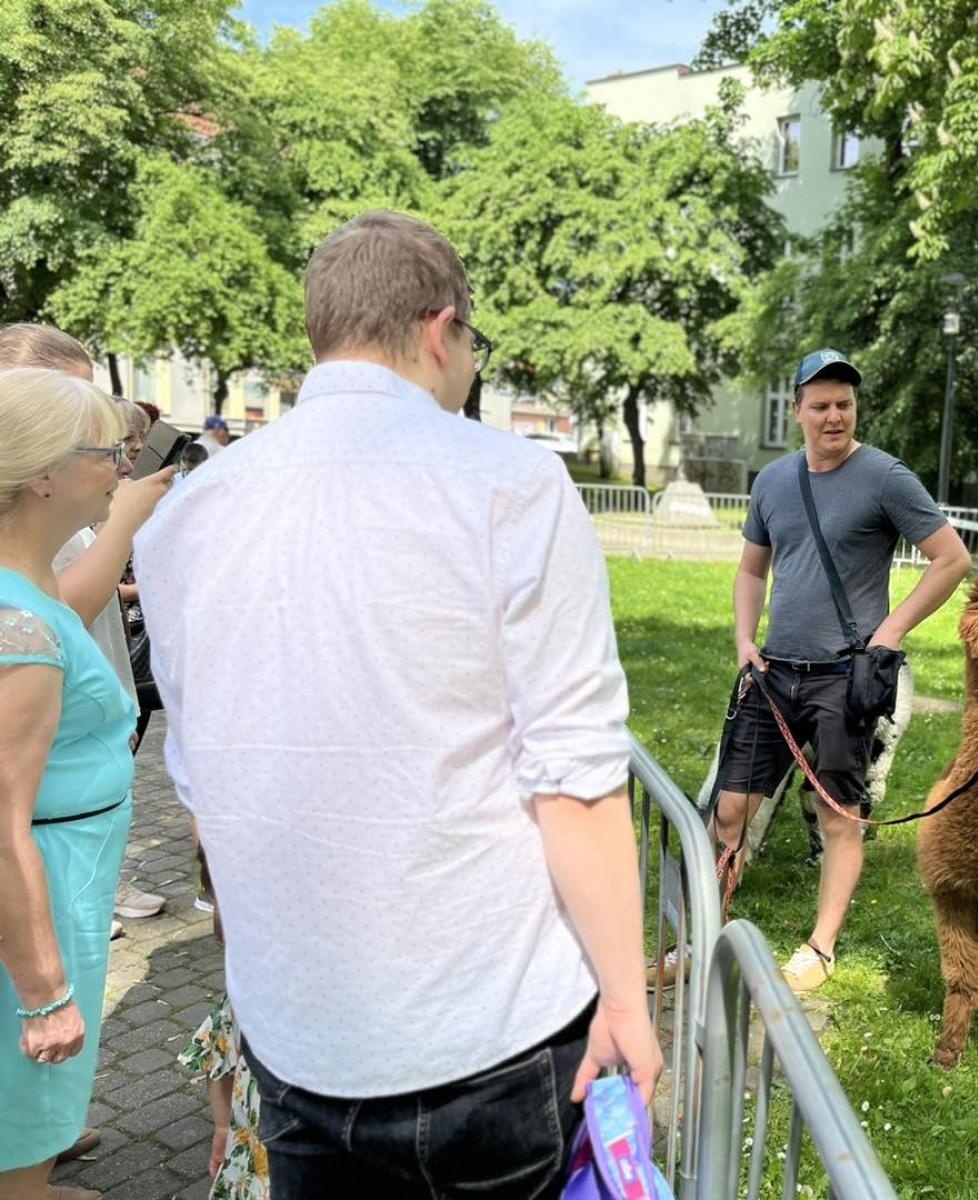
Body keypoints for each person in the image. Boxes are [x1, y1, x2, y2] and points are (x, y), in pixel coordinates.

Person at [135, 210, 660, 1199]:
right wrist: (627, 999)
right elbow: (576, 771)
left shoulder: (184, 517)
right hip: (491, 1026)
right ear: (441, 329)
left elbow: (201, 781)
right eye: (473, 345)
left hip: (299, 1036)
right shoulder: (509, 482)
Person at [710, 348, 972, 991]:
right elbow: (752, 569)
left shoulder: (885, 477)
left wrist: (888, 634)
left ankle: (819, 949)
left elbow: (952, 559)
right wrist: (745, 638)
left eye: (845, 405)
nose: (834, 417)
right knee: (730, 809)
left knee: (839, 815)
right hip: (771, 672)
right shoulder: (772, 482)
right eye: (821, 405)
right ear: (797, 410)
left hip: (842, 679)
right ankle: (706, 931)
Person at [0, 367, 138, 1200]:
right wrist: (45, 992)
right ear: (42, 472)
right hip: (41, 886)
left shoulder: (28, 583)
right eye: (105, 454)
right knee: (25, 1094)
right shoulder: (17, 626)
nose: (120, 468)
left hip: (66, 870)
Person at [0, 328, 175, 928]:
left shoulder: (49, 522)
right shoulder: (17, 593)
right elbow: (45, 617)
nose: (112, 449)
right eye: (78, 421)